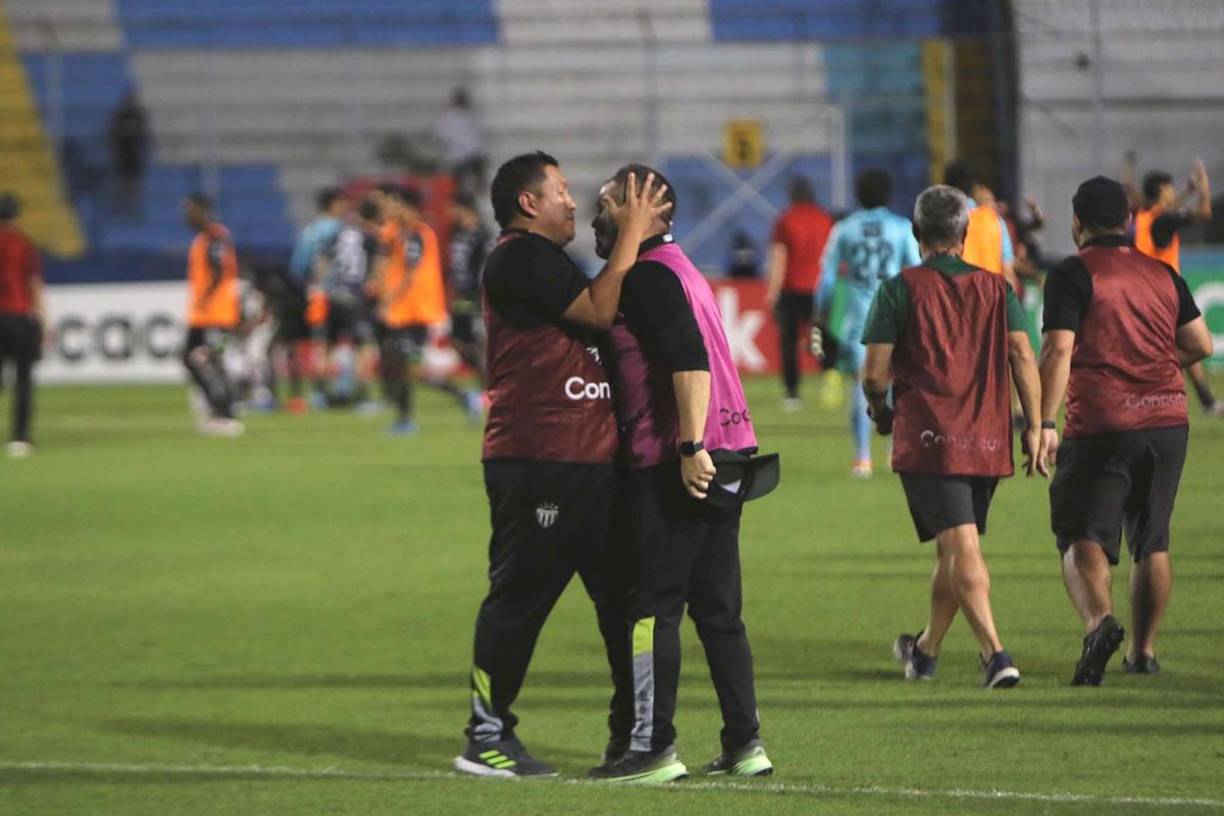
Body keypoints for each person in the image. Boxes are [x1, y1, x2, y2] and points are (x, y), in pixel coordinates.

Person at [454, 152, 670, 777]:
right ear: (529, 204)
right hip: (540, 456)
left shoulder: (550, 262)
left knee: (621, 600)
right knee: (521, 596)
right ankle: (486, 734)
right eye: (560, 190)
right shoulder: (519, 257)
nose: (573, 201)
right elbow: (598, 314)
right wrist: (632, 231)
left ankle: (628, 737)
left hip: (590, 459)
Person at [589, 165, 774, 782]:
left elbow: (688, 359)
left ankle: (651, 747)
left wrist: (689, 443)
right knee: (719, 611)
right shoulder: (683, 270)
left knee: (653, 606)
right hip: (732, 446)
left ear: (646, 210)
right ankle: (745, 744)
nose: (599, 210)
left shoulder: (644, 278)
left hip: (683, 458)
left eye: (611, 201)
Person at [862, 184, 1043, 688]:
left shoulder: (898, 289)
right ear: (965, 234)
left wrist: (881, 411)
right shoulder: (997, 289)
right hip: (988, 438)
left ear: (917, 233)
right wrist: (1037, 426)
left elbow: (874, 375)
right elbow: (1023, 356)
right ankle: (924, 652)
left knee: (961, 545)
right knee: (953, 546)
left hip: (930, 437)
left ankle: (995, 654)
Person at [1038, 176, 1213, 686]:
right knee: (1152, 540)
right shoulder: (1162, 273)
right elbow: (1199, 343)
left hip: (1102, 423)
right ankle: (1143, 651)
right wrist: (1150, 365)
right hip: (1167, 423)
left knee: (1082, 532)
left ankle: (1099, 623)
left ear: (1076, 224)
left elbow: (1058, 350)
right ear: (1130, 221)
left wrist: (1044, 422)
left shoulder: (1073, 273)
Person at [816, 169, 920, 478]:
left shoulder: (845, 229)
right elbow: (916, 271)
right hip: (895, 315)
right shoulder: (901, 228)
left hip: (859, 318)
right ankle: (894, 453)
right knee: (895, 383)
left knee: (862, 383)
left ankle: (862, 458)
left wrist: (821, 316)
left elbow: (827, 280)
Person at [377, 186, 480, 433]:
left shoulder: (417, 235)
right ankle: (459, 398)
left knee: (407, 364)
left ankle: (409, 419)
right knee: (403, 366)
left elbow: (411, 274)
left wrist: (387, 299)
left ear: (407, 207)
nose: (390, 209)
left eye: (395, 203)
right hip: (402, 313)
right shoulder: (399, 233)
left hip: (416, 312)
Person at [1133, 161, 1221, 416]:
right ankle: (1145, 387)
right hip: (1165, 290)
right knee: (1192, 345)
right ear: (1162, 191)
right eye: (1170, 189)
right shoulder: (1163, 219)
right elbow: (1203, 214)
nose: (1173, 194)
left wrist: (1186, 191)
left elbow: (1167, 209)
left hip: (1143, 288)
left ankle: (1206, 401)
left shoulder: (1142, 215)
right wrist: (1203, 190)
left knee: (1185, 343)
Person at [766, 175, 834, 411]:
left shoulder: (785, 220)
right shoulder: (825, 219)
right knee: (824, 336)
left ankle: (793, 393)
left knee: (789, 342)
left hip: (792, 289)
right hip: (820, 288)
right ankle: (830, 379)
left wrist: (772, 291)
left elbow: (779, 256)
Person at [182, 193, 243, 436]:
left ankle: (224, 414)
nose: (186, 215)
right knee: (193, 358)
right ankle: (219, 408)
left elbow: (219, 268)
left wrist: (207, 297)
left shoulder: (215, 236)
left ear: (202, 210)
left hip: (216, 314)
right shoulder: (203, 238)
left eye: (190, 209)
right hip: (202, 315)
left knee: (210, 362)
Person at [290, 187, 348, 408]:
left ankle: (321, 394)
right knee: (339, 344)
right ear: (333, 204)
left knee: (322, 344)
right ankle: (337, 391)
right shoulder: (344, 230)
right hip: (342, 294)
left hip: (319, 295)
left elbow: (298, 267)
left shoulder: (311, 232)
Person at [0, 193, 43, 457]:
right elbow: (34, 282)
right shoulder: (23, 243)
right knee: (23, 378)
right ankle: (20, 437)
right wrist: (42, 318)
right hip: (19, 315)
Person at [944, 160, 1019, 292]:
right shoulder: (996, 221)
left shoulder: (945, 221)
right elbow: (1009, 274)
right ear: (973, 187)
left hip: (958, 302)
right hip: (991, 302)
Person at [446, 192, 491, 388]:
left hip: (476, 294)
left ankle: (490, 387)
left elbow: (486, 264)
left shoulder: (482, 234)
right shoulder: (456, 232)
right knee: (457, 341)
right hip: (461, 294)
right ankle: (489, 377)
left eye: (453, 207)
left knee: (480, 341)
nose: (450, 212)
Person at [435, 87, 486, 195]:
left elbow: (441, 136)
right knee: (470, 179)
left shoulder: (447, 117)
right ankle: (476, 189)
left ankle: (465, 193)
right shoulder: (471, 116)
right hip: (473, 155)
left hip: (459, 157)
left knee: (458, 184)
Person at [107, 91, 148, 216]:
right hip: (122, 153)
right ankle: (119, 208)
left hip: (134, 154)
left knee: (133, 182)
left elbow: (145, 134)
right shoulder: (120, 115)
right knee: (121, 181)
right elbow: (112, 133)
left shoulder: (138, 115)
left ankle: (134, 209)